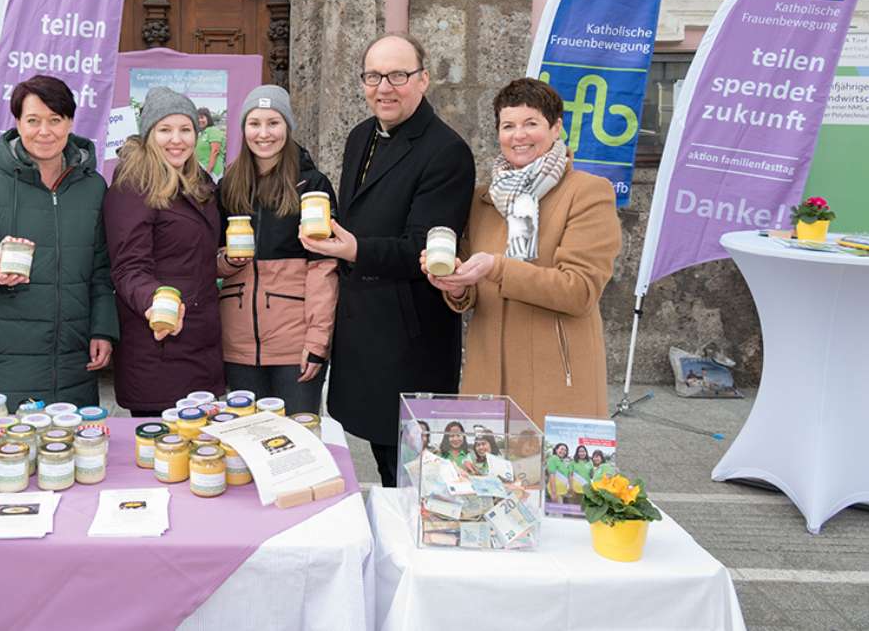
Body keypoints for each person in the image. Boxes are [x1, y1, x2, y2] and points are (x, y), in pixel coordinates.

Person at [301, 33, 475, 486]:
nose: (384, 87)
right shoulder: (361, 136)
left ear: (423, 79)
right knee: (382, 458)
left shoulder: (446, 151)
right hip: (364, 327)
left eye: (398, 75)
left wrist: (353, 249)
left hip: (409, 335)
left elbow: (428, 247)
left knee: (415, 472)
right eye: (374, 76)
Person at [422, 78, 621, 428]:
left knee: (554, 482)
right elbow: (472, 287)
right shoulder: (483, 199)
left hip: (556, 379)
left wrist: (497, 267)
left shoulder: (588, 193)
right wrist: (455, 284)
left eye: (531, 124)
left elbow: (580, 291)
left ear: (556, 128)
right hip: (488, 378)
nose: (519, 136)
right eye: (508, 125)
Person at [0, 75, 118, 409]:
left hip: (73, 364)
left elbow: (101, 270)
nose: (45, 131)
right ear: (17, 123)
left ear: (70, 122)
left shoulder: (93, 187)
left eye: (55, 120)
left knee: (70, 457)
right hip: (4, 363)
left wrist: (102, 329)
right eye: (33, 120)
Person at [216, 85, 338, 414]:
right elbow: (211, 258)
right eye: (254, 123)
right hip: (238, 344)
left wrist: (317, 342)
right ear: (243, 129)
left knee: (298, 444)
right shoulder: (229, 183)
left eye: (274, 123)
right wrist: (228, 261)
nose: (264, 133)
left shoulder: (312, 185)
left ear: (288, 127)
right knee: (245, 443)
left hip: (294, 344)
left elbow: (324, 268)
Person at [104, 87, 223, 415]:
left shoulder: (200, 183)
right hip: (158, 346)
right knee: (162, 458)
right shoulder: (132, 186)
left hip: (201, 344)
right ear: (148, 135)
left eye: (185, 130)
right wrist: (157, 301)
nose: (177, 139)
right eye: (165, 130)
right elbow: (128, 267)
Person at [195, 107, 226, 179]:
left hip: (212, 172)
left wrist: (208, 172)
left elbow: (215, 151)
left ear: (208, 118)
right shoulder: (201, 133)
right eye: (198, 118)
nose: (199, 120)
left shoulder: (213, 130)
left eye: (202, 117)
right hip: (203, 171)